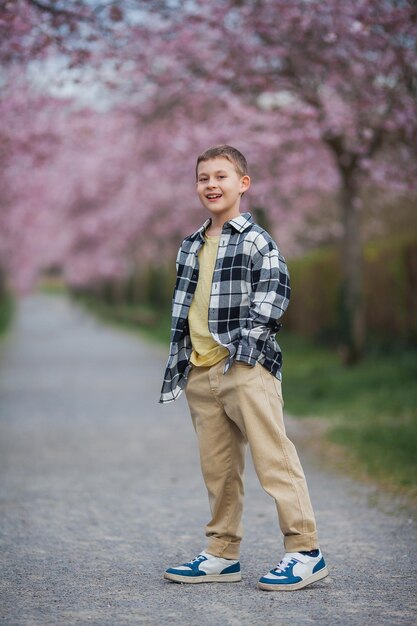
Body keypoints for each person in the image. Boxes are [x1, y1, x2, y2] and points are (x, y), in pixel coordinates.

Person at [159, 144, 328, 591]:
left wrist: (245, 350)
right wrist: (187, 365)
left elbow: (275, 292)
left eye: (221, 176)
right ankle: (221, 552)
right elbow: (186, 308)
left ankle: (304, 550)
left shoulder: (255, 239)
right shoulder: (190, 244)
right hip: (200, 370)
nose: (211, 185)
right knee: (218, 469)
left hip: (245, 368)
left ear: (242, 184)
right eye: (203, 178)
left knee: (274, 459)